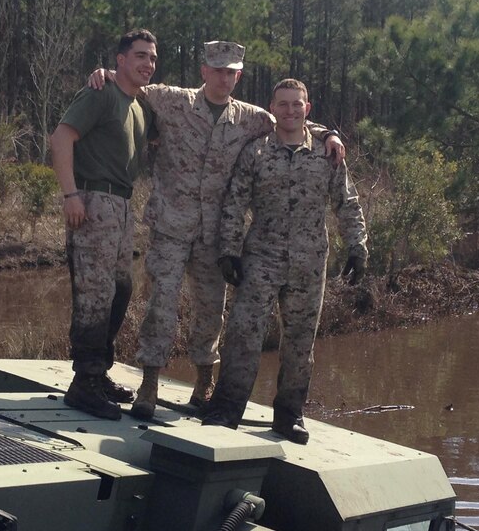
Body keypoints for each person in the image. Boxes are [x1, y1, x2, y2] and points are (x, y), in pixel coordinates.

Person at [88, 42, 345, 420]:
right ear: (204, 71)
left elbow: (293, 122)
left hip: (215, 235)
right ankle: (150, 383)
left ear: (238, 76)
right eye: (217, 69)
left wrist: (329, 134)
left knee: (211, 312)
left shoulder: (252, 118)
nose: (223, 77)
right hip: (172, 226)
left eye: (231, 72)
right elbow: (132, 86)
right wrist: (106, 75)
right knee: (161, 305)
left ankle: (204, 381)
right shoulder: (173, 100)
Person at [201, 79, 367, 444]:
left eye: (297, 104)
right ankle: (227, 408)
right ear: (272, 109)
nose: (290, 110)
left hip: (309, 263)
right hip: (261, 258)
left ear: (308, 109)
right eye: (283, 104)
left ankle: (289, 414)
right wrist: (229, 251)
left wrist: (357, 246)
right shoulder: (256, 153)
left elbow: (347, 202)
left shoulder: (328, 154)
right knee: (243, 334)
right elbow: (234, 203)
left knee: (299, 342)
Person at [50, 30, 158, 419]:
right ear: (120, 59)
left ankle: (99, 372)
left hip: (123, 206)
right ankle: (84, 383)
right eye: (140, 56)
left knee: (119, 290)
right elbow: (61, 137)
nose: (147, 63)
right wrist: (71, 194)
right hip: (94, 200)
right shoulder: (101, 92)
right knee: (93, 295)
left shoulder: (140, 105)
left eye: (152, 58)